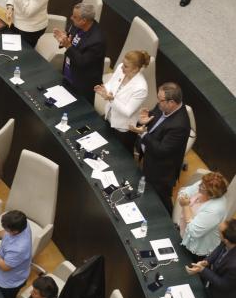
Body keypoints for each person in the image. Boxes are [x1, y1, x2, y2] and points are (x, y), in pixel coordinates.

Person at [128, 82, 191, 214]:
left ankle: (169, 223)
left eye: (160, 100)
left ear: (172, 102)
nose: (158, 102)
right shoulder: (163, 106)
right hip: (149, 160)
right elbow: (153, 117)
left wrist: (143, 134)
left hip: (162, 171)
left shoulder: (180, 125)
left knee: (161, 199)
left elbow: (161, 150)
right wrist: (144, 119)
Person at [93, 50, 150, 151]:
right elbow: (111, 84)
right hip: (108, 117)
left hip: (122, 129)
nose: (122, 67)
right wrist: (104, 90)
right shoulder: (120, 68)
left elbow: (127, 111)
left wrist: (111, 99)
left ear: (136, 69)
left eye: (126, 66)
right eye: (123, 63)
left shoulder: (141, 87)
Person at [186, 219, 236, 298]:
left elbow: (224, 285)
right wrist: (206, 262)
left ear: (227, 239)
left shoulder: (234, 265)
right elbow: (218, 250)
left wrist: (203, 270)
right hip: (211, 289)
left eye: (219, 232)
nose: (218, 233)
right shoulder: (227, 241)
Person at [52, 3, 105, 105]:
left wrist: (68, 46)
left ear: (84, 21)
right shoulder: (77, 25)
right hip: (68, 74)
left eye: (75, 17)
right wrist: (64, 38)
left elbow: (82, 62)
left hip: (82, 83)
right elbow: (70, 34)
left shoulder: (97, 40)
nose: (71, 18)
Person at [177, 172, 229, 261]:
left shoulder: (215, 210)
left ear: (211, 194)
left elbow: (193, 231)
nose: (199, 185)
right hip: (184, 234)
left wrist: (186, 206)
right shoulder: (204, 184)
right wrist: (183, 197)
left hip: (197, 249)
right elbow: (184, 192)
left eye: (202, 186)